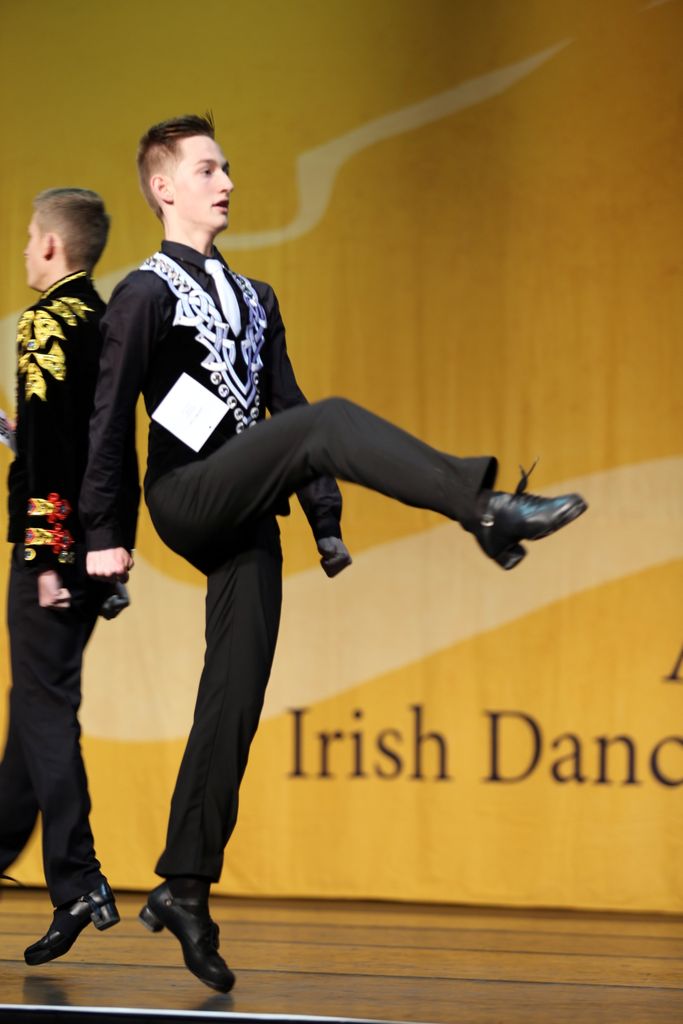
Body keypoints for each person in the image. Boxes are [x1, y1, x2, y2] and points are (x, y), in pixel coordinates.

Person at [80, 114, 587, 994]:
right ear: (163, 188)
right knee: (329, 420)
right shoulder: (144, 293)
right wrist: (103, 535)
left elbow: (283, 404)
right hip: (188, 496)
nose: (225, 182)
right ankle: (483, 507)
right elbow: (109, 412)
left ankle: (184, 886)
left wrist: (323, 522)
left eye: (226, 167)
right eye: (206, 169)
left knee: (234, 697)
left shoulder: (258, 297)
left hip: (249, 509)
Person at [0, 189, 138, 965]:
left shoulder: (45, 322)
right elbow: (103, 443)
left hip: (50, 554)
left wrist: (48, 557)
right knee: (34, 706)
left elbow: (58, 456)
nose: (24, 248)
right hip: (93, 551)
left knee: (45, 708)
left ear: (52, 245)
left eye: (29, 237)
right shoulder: (104, 320)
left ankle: (79, 879)